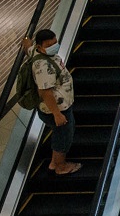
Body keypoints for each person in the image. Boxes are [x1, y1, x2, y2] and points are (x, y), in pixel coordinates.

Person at [28, 29, 81, 175]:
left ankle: (54, 162)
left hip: (58, 106)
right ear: (40, 47)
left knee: (60, 134)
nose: (54, 46)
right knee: (64, 137)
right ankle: (60, 166)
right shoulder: (43, 67)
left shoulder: (35, 51)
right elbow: (44, 92)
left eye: (55, 43)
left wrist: (26, 41)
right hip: (57, 109)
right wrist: (57, 114)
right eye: (50, 45)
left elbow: (28, 46)